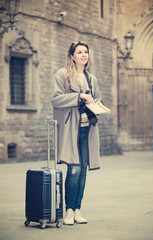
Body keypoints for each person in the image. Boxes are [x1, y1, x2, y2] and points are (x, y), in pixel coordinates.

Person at [51, 41, 101, 225]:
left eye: (86, 52)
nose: (83, 55)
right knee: (74, 170)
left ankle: (78, 209)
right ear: (72, 55)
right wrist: (79, 96)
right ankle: (69, 211)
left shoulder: (91, 78)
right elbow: (55, 100)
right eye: (79, 52)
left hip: (88, 131)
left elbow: (95, 99)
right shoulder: (63, 75)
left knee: (82, 172)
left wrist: (98, 105)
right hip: (71, 130)